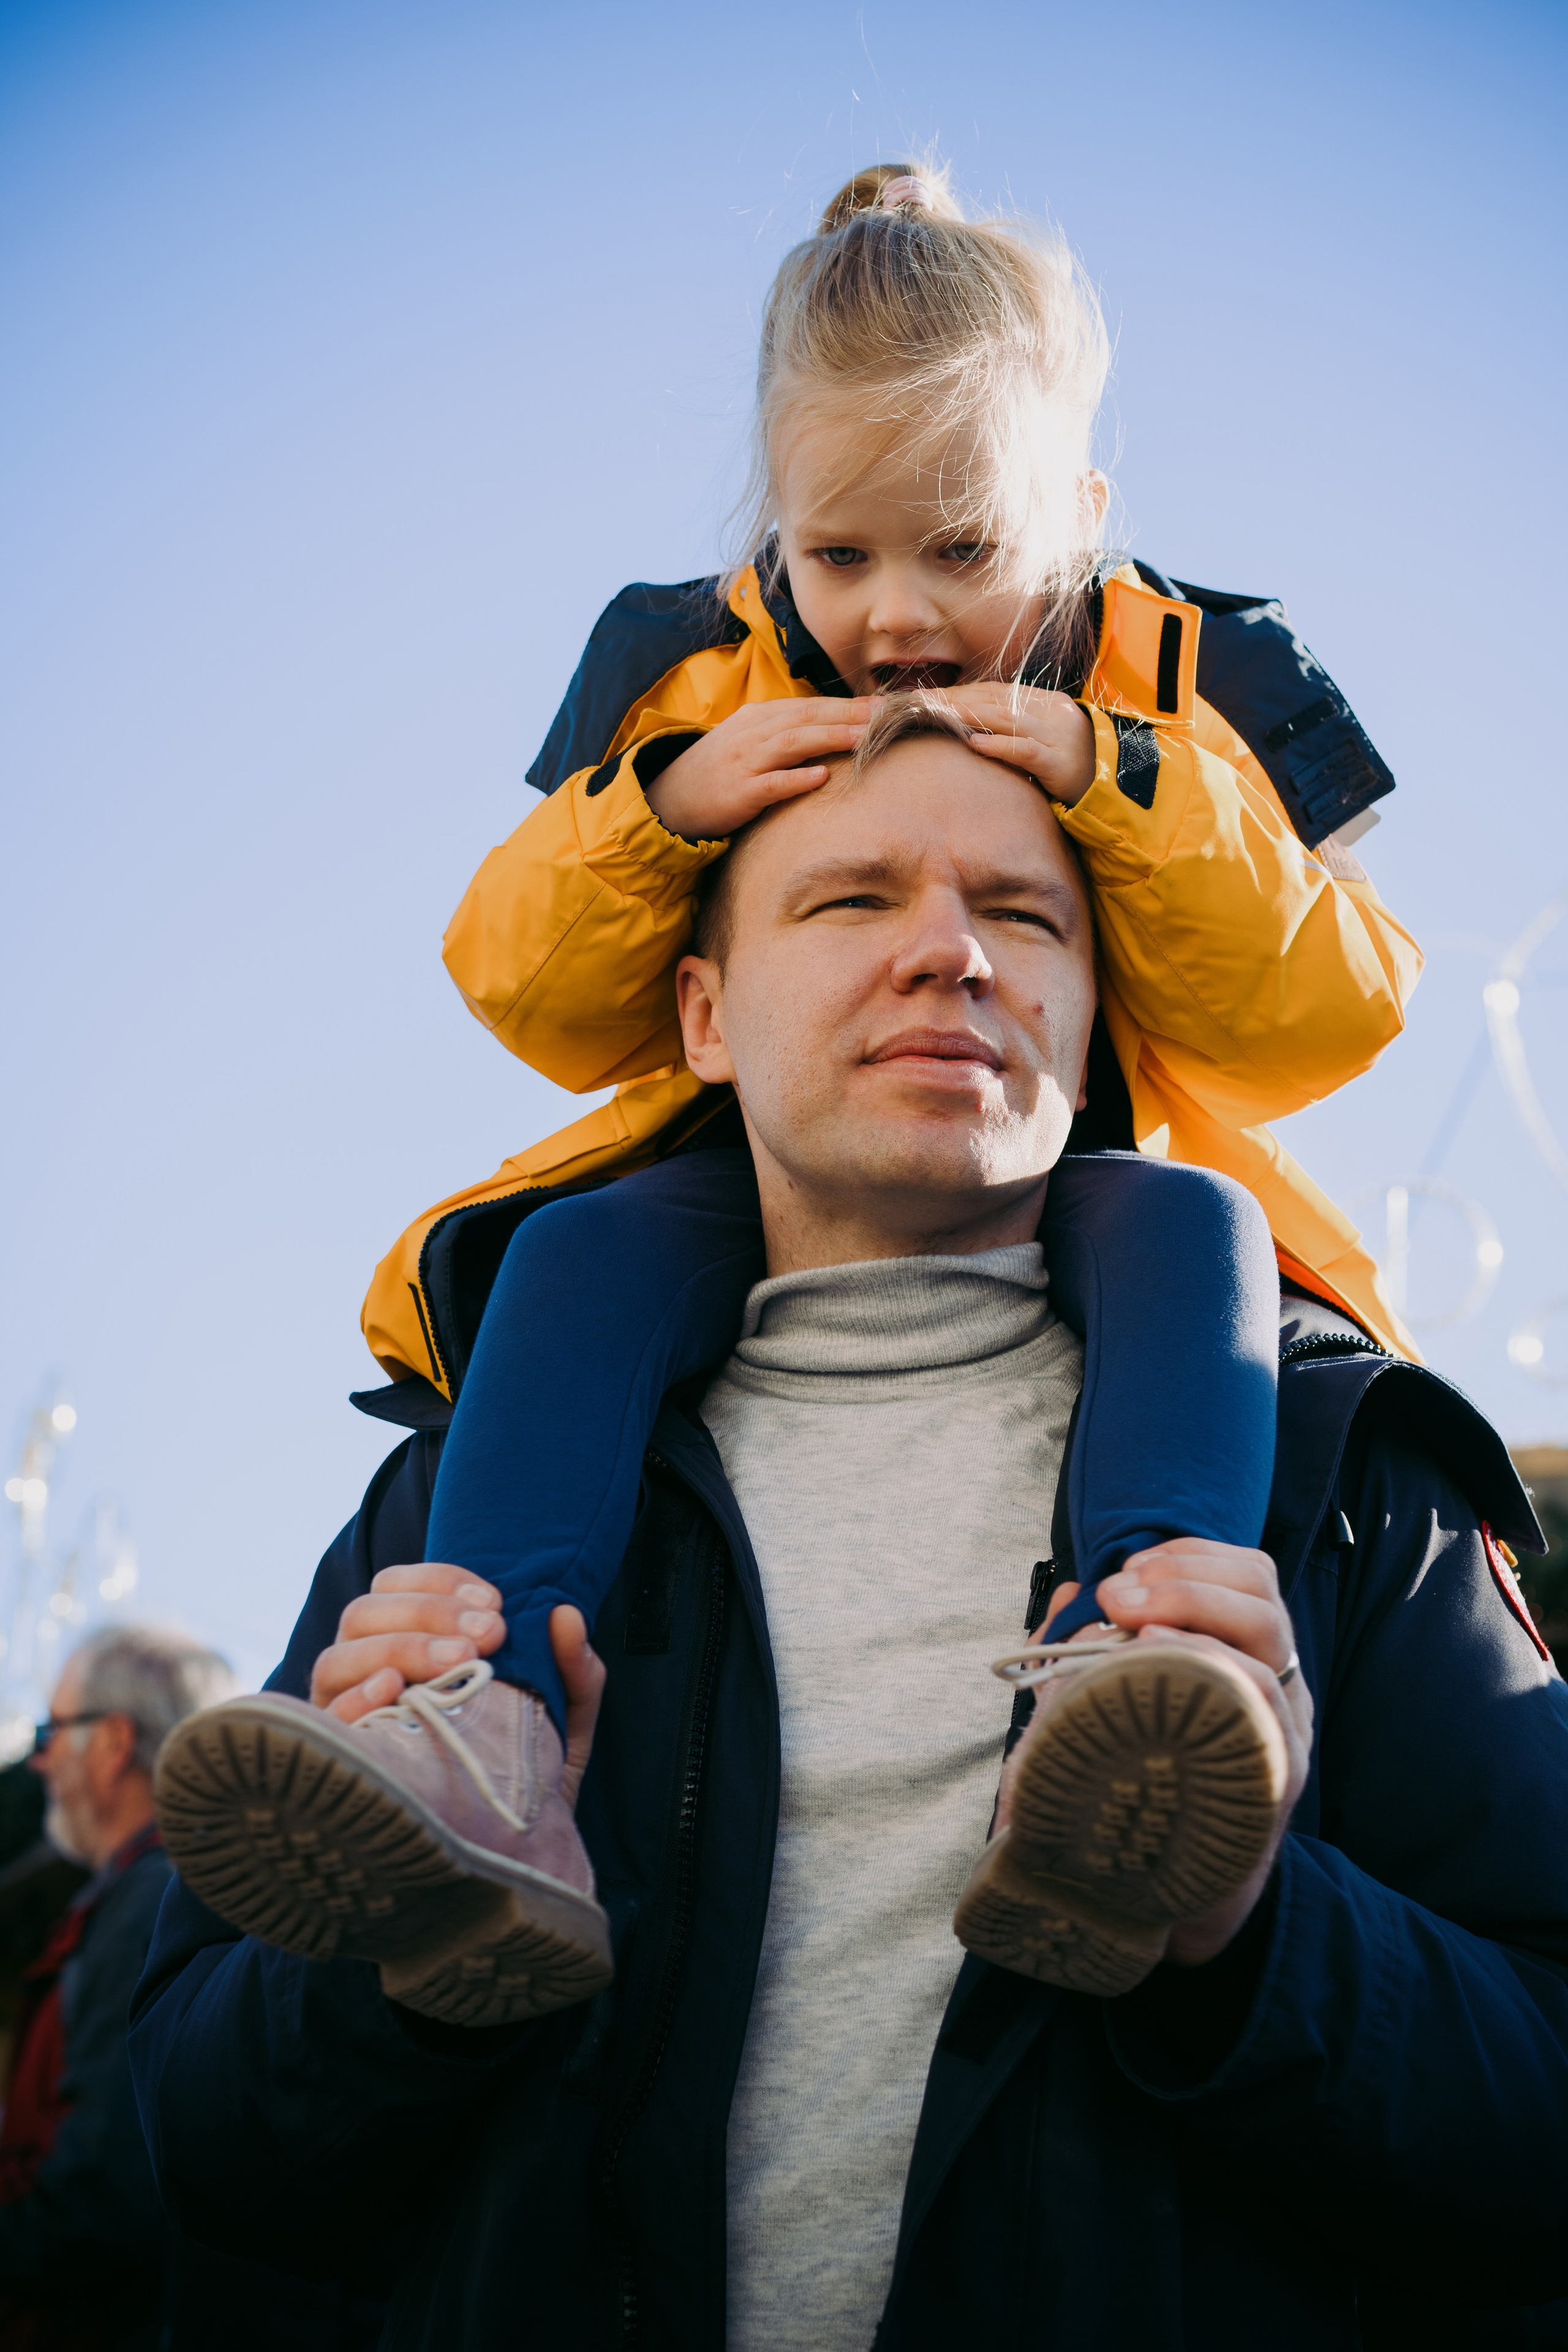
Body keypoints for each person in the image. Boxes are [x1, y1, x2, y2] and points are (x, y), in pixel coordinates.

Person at [137, 706, 1568, 2348]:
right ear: (705, 1013)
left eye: (1023, 916)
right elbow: (204, 2149)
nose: (950, 953)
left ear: (1092, 1016)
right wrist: (406, 1966)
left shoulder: (1339, 1477)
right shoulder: (471, 1502)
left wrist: (1251, 1933)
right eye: (849, 903)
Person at [0, 1627, 232, 2351]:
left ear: (113, 1744)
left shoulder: (153, 1904)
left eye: (52, 1730)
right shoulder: (150, 1900)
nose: (39, 1759)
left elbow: (104, 2193)